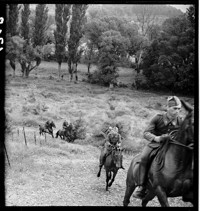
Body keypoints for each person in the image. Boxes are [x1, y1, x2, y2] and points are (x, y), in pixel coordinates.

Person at [132, 96, 183, 199]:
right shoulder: (158, 118)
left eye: (179, 109)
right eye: (174, 108)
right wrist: (157, 138)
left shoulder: (180, 121)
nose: (177, 111)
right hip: (155, 144)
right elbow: (146, 133)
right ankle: (141, 186)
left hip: (172, 146)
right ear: (167, 107)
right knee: (144, 157)